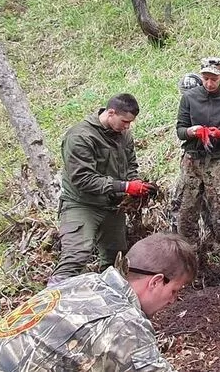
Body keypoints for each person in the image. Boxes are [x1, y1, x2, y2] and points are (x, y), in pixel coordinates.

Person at [0, 232, 197, 371]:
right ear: (156, 282)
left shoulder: (85, 282)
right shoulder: (124, 322)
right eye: (175, 291)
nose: (173, 301)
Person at [49, 93, 156, 285]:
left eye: (130, 122)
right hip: (82, 204)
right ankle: (53, 301)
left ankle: (109, 300)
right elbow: (82, 179)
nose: (127, 126)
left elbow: (130, 164)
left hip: (112, 205)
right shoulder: (80, 136)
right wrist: (125, 186)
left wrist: (136, 184)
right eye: (124, 121)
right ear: (111, 113)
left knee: (116, 258)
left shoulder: (124, 134)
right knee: (76, 254)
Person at [175, 57, 220, 248]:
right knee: (186, 208)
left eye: (213, 79)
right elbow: (181, 130)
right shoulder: (189, 98)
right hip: (192, 161)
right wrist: (192, 131)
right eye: (205, 78)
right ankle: (189, 249)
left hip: (217, 161)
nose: (209, 83)